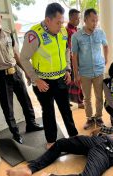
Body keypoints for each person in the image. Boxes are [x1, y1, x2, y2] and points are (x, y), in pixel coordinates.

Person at [0, 3, 43, 144]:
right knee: (8, 107)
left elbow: (16, 56)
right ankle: (15, 133)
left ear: (1, 17)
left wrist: (26, 72)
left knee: (26, 100)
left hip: (16, 73)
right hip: (0, 78)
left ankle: (31, 124)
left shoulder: (8, 34)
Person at [19, 3, 78, 149]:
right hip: (42, 81)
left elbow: (66, 50)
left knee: (66, 109)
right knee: (48, 111)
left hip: (60, 78)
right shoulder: (34, 35)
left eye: (62, 22)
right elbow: (24, 58)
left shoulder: (63, 32)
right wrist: (36, 79)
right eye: (58, 22)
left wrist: (68, 69)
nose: (60, 26)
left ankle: (74, 136)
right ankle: (51, 141)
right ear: (47, 20)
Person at [72, 8, 109, 129]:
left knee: (99, 96)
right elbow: (74, 56)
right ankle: (89, 118)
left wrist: (105, 59)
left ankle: (98, 117)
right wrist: (76, 73)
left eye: (96, 21)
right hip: (85, 73)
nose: (95, 23)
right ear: (85, 20)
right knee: (87, 98)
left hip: (98, 71)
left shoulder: (100, 32)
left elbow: (105, 45)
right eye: (93, 20)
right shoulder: (76, 36)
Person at [66, 9, 85, 109]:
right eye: (77, 18)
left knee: (71, 82)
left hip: (77, 59)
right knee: (76, 81)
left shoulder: (74, 29)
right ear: (71, 18)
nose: (78, 20)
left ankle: (68, 100)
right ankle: (80, 102)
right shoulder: (69, 31)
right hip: (73, 61)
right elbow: (71, 50)